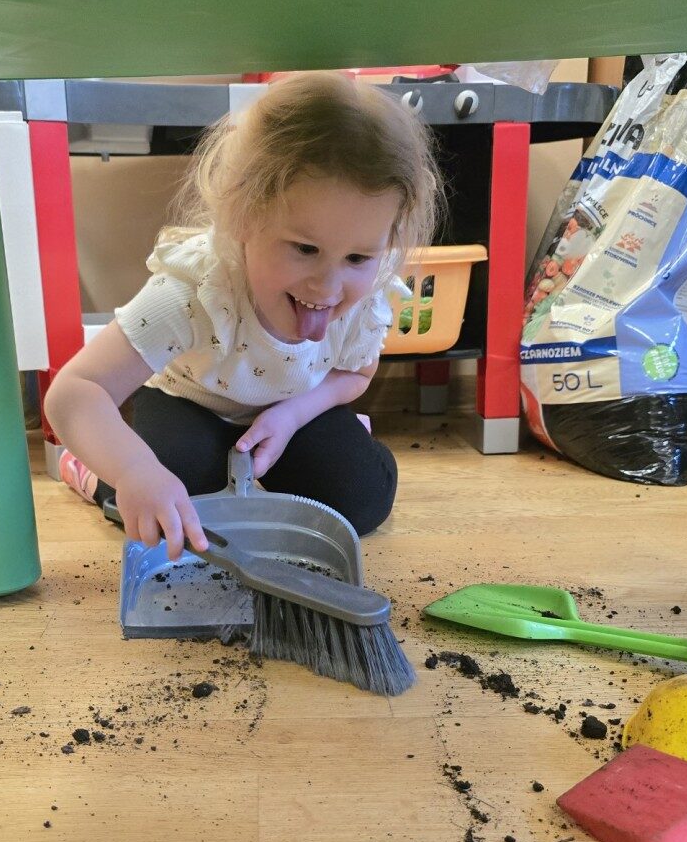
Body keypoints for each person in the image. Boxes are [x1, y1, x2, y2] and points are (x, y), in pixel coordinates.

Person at [43, 70, 442, 560]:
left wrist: (293, 415)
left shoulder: (365, 294)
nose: (327, 287)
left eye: (358, 257)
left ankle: (289, 459)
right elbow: (76, 391)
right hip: (190, 404)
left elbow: (356, 374)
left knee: (362, 497)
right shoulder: (193, 291)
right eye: (305, 248)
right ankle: (90, 471)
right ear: (243, 217)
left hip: (291, 408)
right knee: (170, 500)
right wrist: (132, 472)